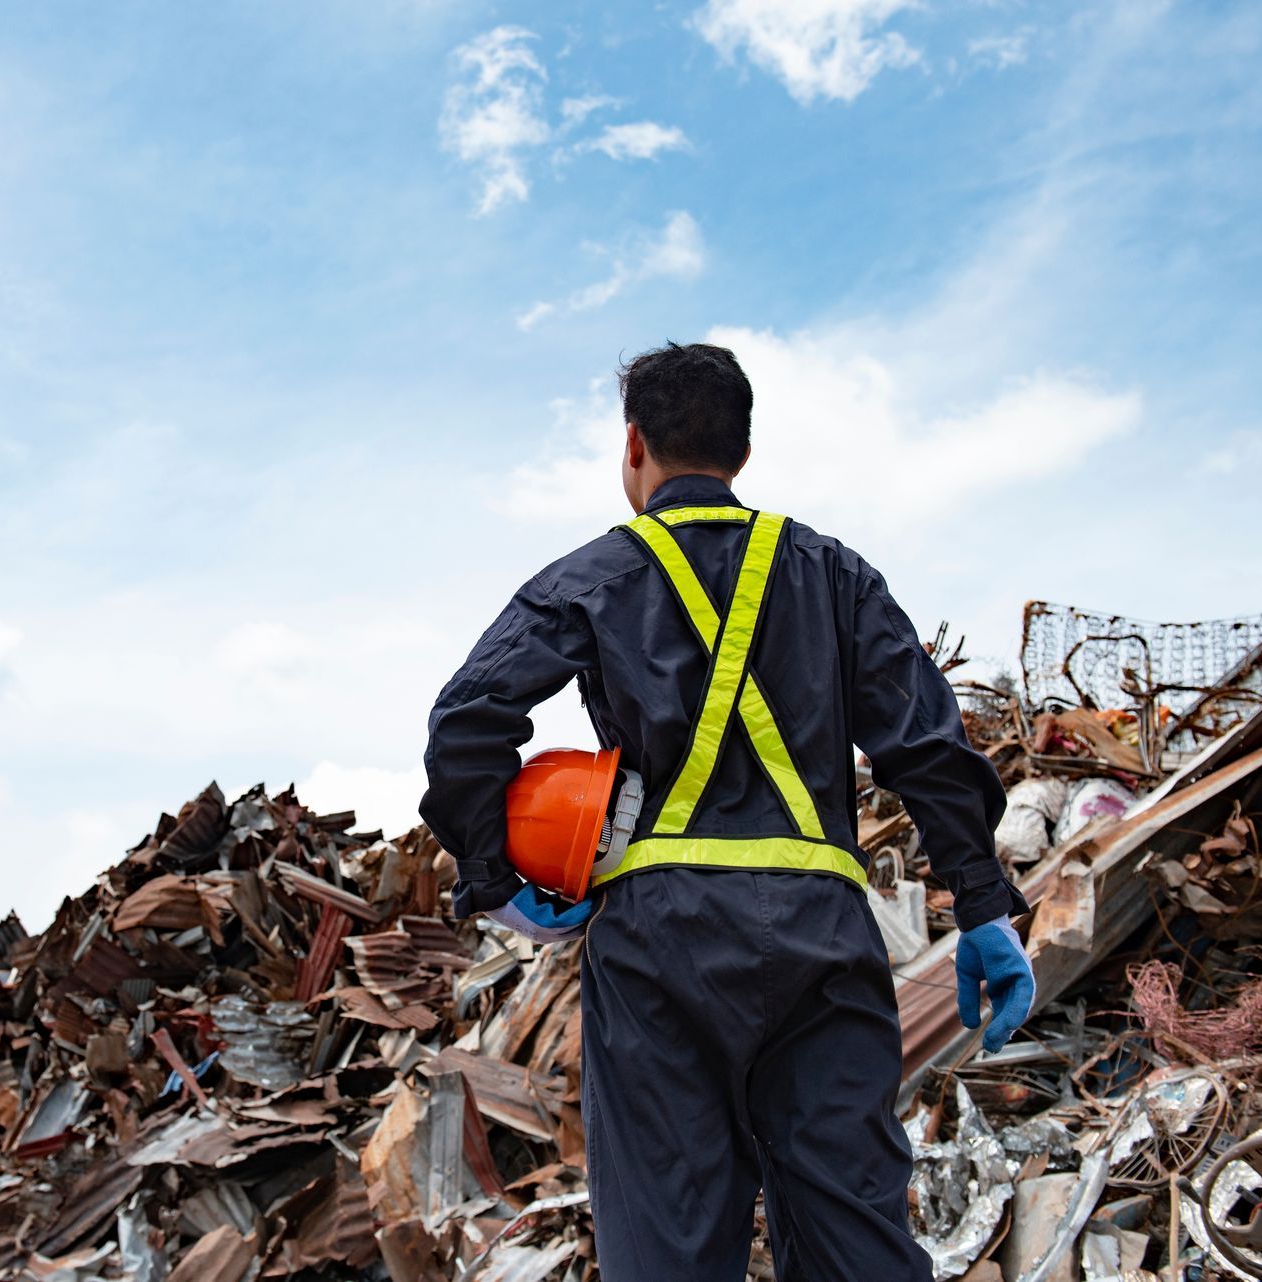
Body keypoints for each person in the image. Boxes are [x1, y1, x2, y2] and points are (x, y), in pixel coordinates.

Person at [418, 342, 1035, 1281]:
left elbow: (469, 719)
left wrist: (496, 879)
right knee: (854, 1235)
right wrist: (983, 904)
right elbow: (925, 743)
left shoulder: (595, 576)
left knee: (668, 1239)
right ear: (741, 451)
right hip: (823, 938)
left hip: (661, 948)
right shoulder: (835, 574)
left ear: (635, 446)